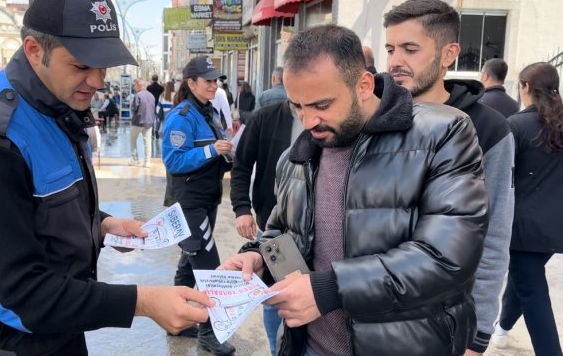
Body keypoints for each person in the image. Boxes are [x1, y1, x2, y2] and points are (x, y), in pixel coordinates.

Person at [0, 0, 211, 356]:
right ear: (35, 50)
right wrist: (142, 301)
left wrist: (99, 224)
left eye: (104, 66)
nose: (98, 81)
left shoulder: (54, 105)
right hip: (4, 340)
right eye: (82, 65)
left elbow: (39, 202)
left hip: (59, 324)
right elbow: (20, 295)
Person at [220, 24, 489, 356]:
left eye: (321, 105)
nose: (307, 122)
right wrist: (259, 258)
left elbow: (447, 258)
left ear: (363, 85)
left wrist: (329, 289)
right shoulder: (295, 158)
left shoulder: (442, 134)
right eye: (297, 106)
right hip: (309, 347)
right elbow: (281, 235)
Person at [384, 0, 515, 356]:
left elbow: (493, 233)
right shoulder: (372, 118)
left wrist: (479, 332)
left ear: (448, 54)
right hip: (367, 315)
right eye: (391, 48)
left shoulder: (487, 128)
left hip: (442, 324)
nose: (396, 61)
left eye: (410, 49)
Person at [162, 56, 236, 355]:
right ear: (191, 83)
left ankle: (174, 322)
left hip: (206, 199)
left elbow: (215, 150)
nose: (213, 84)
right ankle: (209, 334)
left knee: (189, 264)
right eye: (207, 80)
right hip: (188, 204)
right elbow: (172, 160)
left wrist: (226, 153)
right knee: (209, 270)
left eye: (215, 80)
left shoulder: (211, 111)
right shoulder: (181, 116)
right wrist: (210, 150)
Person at [492, 62, 563, 355]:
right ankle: (503, 328)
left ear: (524, 88)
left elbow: (501, 177)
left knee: (531, 290)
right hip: (554, 226)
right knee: (524, 280)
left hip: (521, 228)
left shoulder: (515, 126)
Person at [230, 99, 302, 355]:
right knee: (273, 299)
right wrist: (242, 209)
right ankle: (276, 350)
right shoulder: (265, 118)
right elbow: (241, 165)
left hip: (311, 233)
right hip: (274, 230)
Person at [129, 78, 155, 167]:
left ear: (139, 85)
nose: (134, 87)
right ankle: (147, 161)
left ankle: (135, 159)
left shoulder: (137, 95)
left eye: (134, 85)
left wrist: (133, 111)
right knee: (147, 142)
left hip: (138, 121)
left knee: (132, 140)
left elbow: (134, 108)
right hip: (149, 121)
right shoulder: (151, 95)